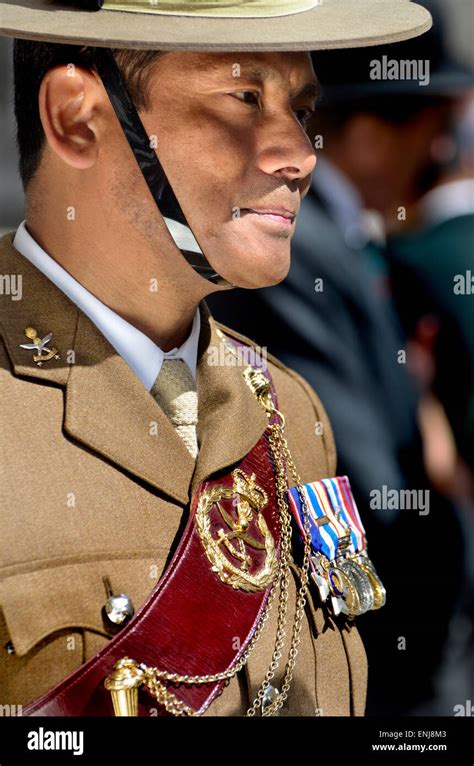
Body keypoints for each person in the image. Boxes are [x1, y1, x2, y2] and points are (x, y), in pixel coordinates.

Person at [0, 0, 432, 717]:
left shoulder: (292, 408)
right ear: (78, 119)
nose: (300, 153)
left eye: (299, 107)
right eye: (246, 98)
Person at [208, 1, 470, 715]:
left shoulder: (345, 245)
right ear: (374, 135)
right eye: (439, 127)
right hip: (383, 659)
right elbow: (343, 482)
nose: (446, 155)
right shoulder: (299, 256)